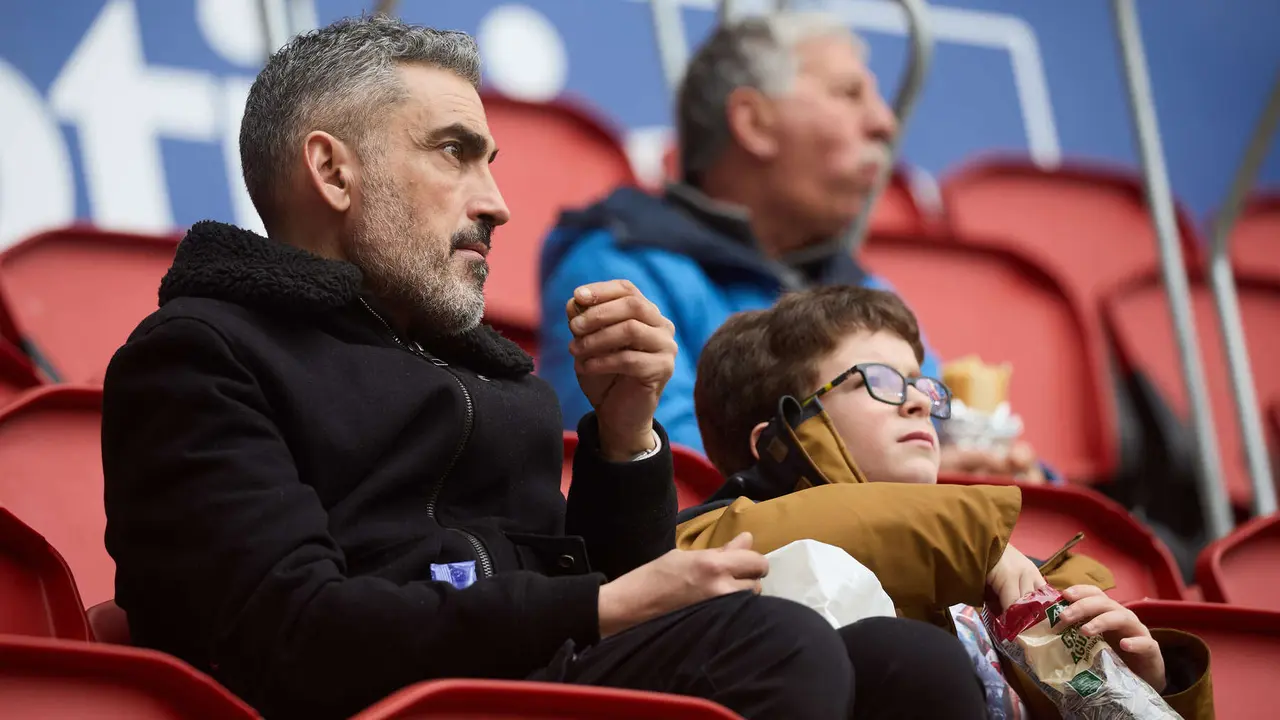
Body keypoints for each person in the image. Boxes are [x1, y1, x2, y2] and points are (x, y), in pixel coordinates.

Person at [102, 17, 991, 720]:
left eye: (491, 162)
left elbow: (613, 594)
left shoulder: (500, 382)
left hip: (530, 681)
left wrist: (626, 435)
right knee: (775, 646)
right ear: (333, 171)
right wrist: (593, 609)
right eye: (454, 152)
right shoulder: (198, 357)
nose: (497, 203)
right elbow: (291, 636)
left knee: (908, 661)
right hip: (406, 702)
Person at [539, 12, 1046, 481]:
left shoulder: (868, 291)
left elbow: (947, 436)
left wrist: (1020, 478)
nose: (884, 123)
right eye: (848, 94)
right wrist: (910, 476)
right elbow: (667, 472)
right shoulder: (615, 267)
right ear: (753, 122)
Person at [677, 286, 1214, 719]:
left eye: (920, 384)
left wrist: (1150, 691)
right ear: (777, 439)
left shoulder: (1006, 573)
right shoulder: (714, 541)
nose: (917, 401)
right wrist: (973, 541)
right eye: (879, 382)